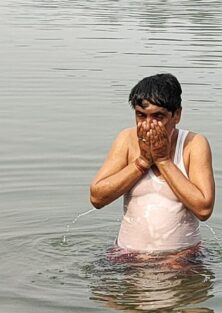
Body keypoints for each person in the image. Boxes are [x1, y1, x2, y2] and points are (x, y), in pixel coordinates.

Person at [89, 73, 215, 254]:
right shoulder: (126, 139)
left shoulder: (193, 144)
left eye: (158, 116)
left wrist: (163, 160)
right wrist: (142, 162)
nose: (148, 125)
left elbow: (204, 209)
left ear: (177, 115)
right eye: (141, 116)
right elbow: (97, 198)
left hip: (181, 260)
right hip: (127, 257)